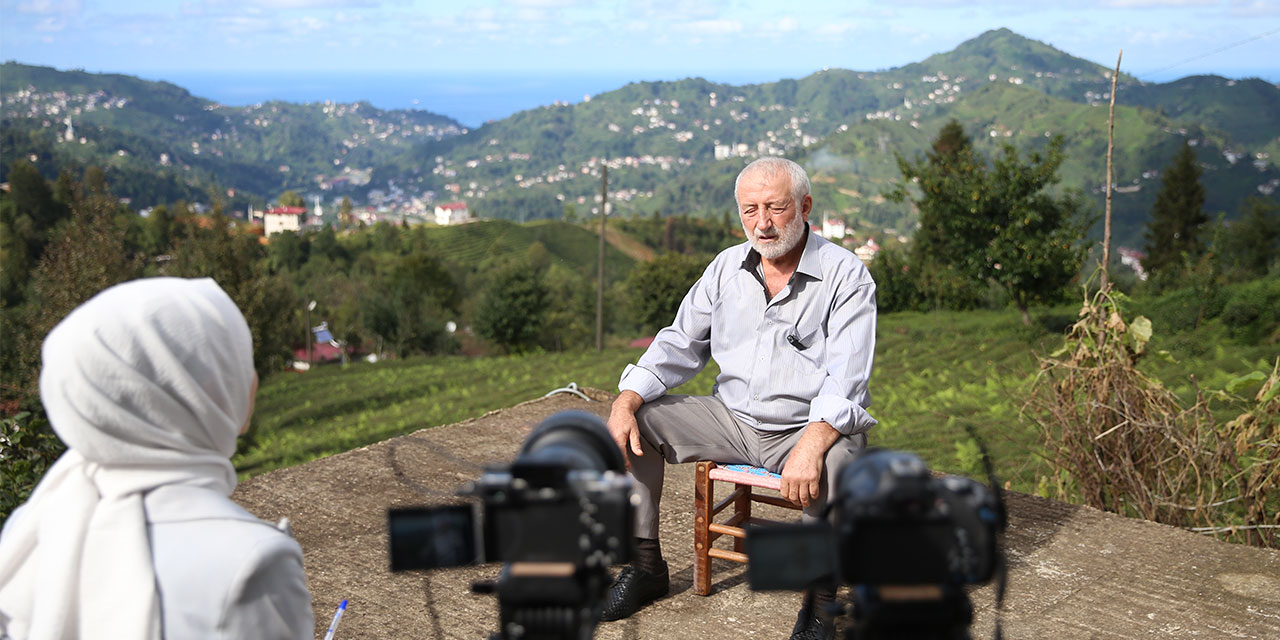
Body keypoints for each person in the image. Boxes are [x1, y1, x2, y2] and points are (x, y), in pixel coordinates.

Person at [602, 157, 877, 640]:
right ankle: (645, 565)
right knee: (633, 426)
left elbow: (847, 380)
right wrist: (625, 400)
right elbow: (680, 343)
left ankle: (821, 602)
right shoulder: (726, 267)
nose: (763, 224)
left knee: (843, 465)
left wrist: (812, 447)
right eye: (750, 211)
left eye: (775, 208)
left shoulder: (846, 276)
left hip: (806, 425)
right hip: (731, 418)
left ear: (805, 206)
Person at [0, 278, 314, 639]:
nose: (253, 377)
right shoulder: (253, 565)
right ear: (195, 391)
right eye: (237, 362)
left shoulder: (33, 528)